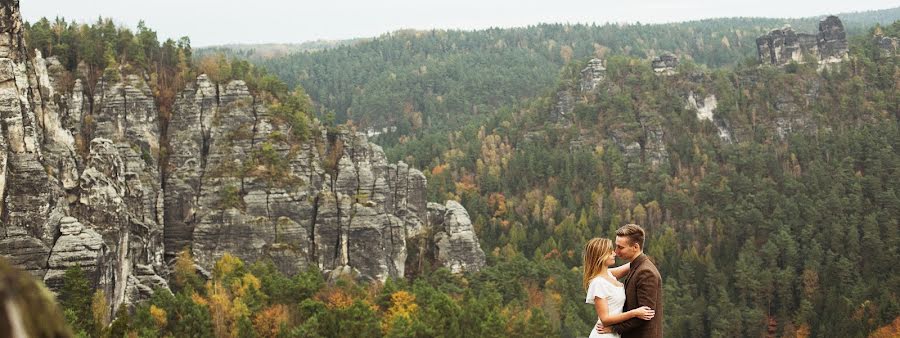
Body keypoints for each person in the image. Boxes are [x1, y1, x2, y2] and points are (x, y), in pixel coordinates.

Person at [596, 224, 664, 338]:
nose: (616, 252)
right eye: (616, 246)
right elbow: (605, 275)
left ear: (635, 247)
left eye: (620, 247)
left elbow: (645, 315)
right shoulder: (636, 266)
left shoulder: (646, 273)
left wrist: (614, 328)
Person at [583, 237, 655, 338]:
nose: (614, 253)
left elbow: (634, 264)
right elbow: (605, 319)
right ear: (601, 256)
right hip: (604, 335)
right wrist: (634, 313)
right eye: (610, 252)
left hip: (613, 333)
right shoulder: (598, 283)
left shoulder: (609, 274)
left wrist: (637, 250)